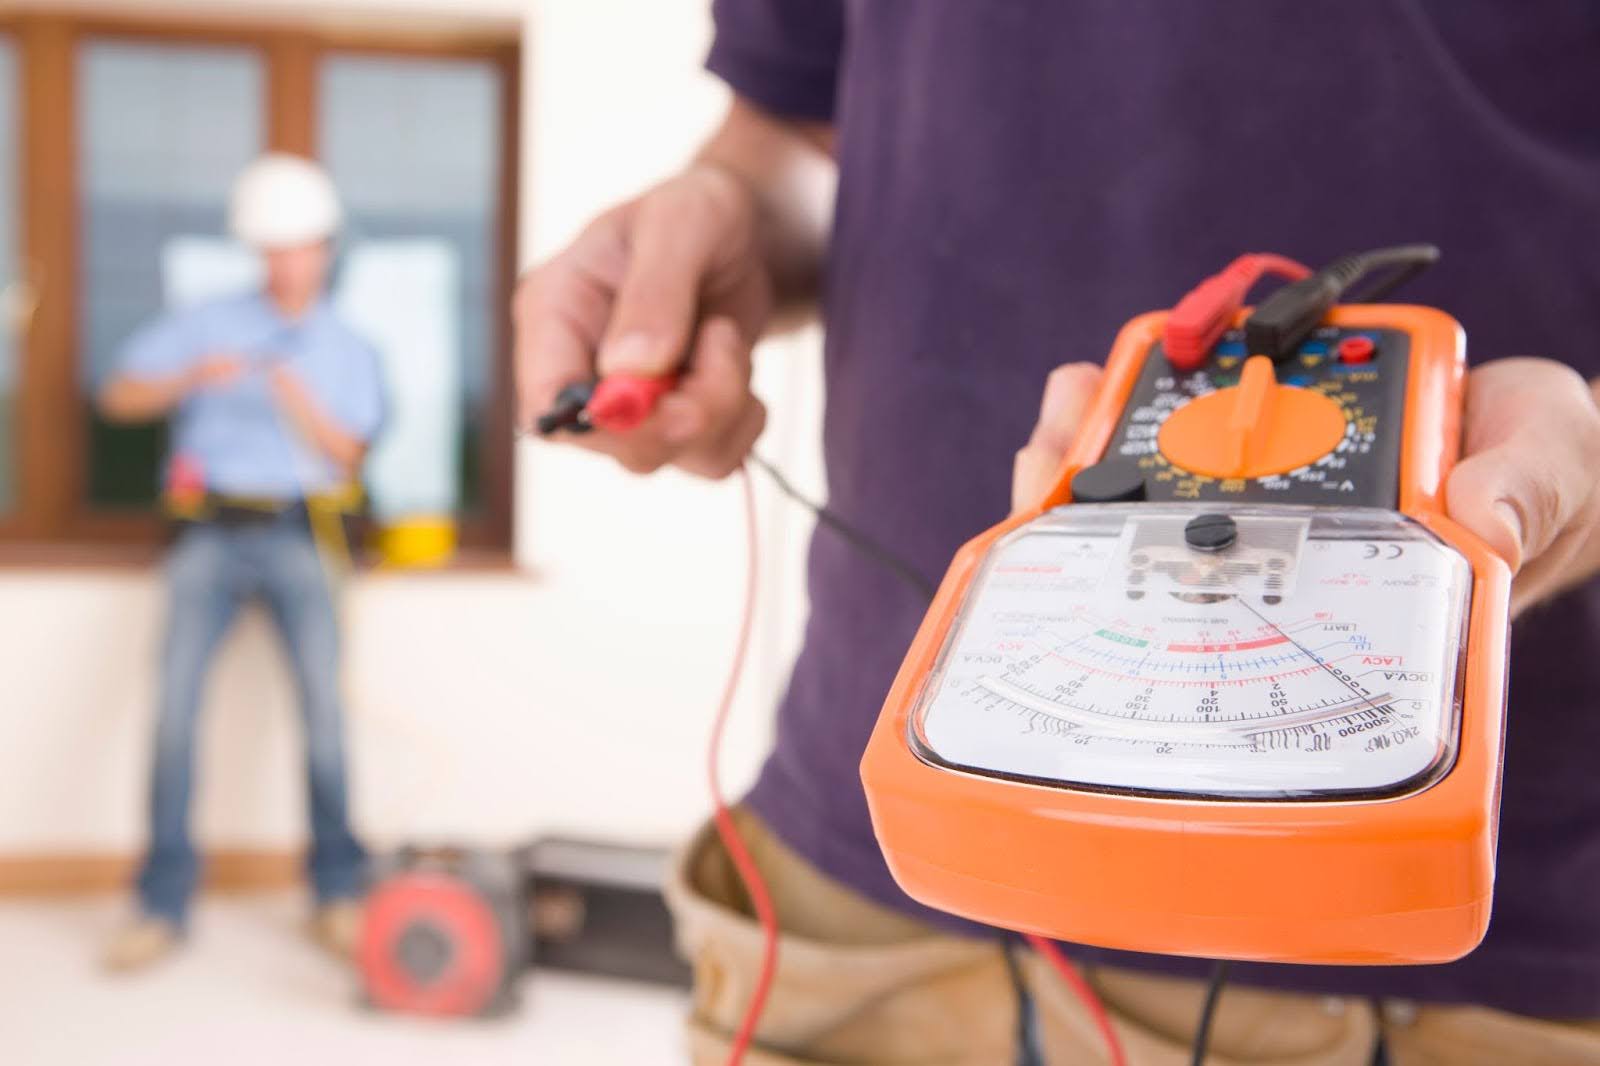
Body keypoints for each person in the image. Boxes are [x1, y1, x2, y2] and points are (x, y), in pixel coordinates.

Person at [518, 5, 1600, 1064]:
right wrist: (723, 215)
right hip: (863, 921)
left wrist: (1571, 481)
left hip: (1468, 976)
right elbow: (792, 129)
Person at [100, 154, 385, 971]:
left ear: (324, 249)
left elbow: (351, 455)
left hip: (301, 536)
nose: (283, 263)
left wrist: (295, 396)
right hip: (208, 534)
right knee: (174, 716)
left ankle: (336, 893)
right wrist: (193, 376)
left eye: (297, 247)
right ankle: (160, 903)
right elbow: (118, 397)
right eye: (269, 248)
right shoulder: (206, 321)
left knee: (325, 721)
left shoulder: (348, 346)